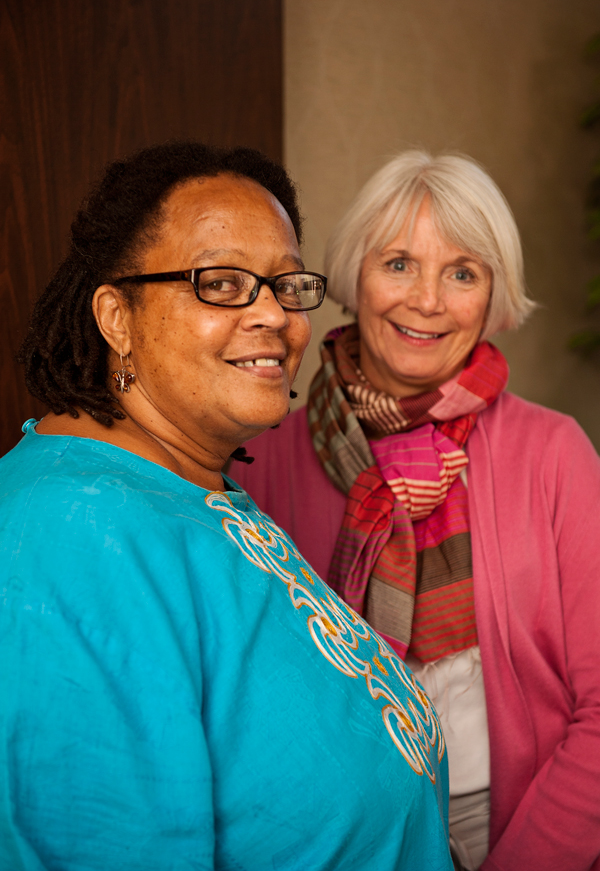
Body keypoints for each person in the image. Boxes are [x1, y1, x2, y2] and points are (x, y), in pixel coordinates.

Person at [0, 142, 453, 871]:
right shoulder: (69, 538)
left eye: (285, 285)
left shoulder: (197, 488)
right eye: (222, 283)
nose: (275, 316)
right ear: (116, 316)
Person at [231, 150, 600, 871]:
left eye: (462, 272)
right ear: (352, 276)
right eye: (398, 263)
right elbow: (257, 720)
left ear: (493, 295)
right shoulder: (260, 463)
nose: (427, 300)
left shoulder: (557, 453)